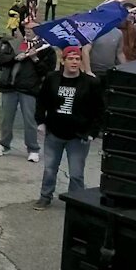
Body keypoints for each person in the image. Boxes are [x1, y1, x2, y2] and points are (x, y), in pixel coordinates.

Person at [34, 46, 104, 210]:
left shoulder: (91, 82)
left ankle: (77, 203)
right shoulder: (52, 78)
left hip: (78, 137)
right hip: (54, 133)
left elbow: (99, 110)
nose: (74, 62)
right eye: (71, 59)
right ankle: (45, 197)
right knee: (50, 169)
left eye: (77, 59)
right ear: (63, 61)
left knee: (76, 174)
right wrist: (41, 122)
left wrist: (92, 133)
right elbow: (41, 102)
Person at [0, 23, 55, 162]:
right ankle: (4, 144)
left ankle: (33, 148)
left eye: (31, 29)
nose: (28, 31)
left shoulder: (45, 48)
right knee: (6, 119)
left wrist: (35, 59)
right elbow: (1, 60)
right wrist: (15, 57)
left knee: (30, 120)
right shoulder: (13, 44)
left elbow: (48, 71)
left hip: (29, 88)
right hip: (9, 86)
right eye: (26, 29)